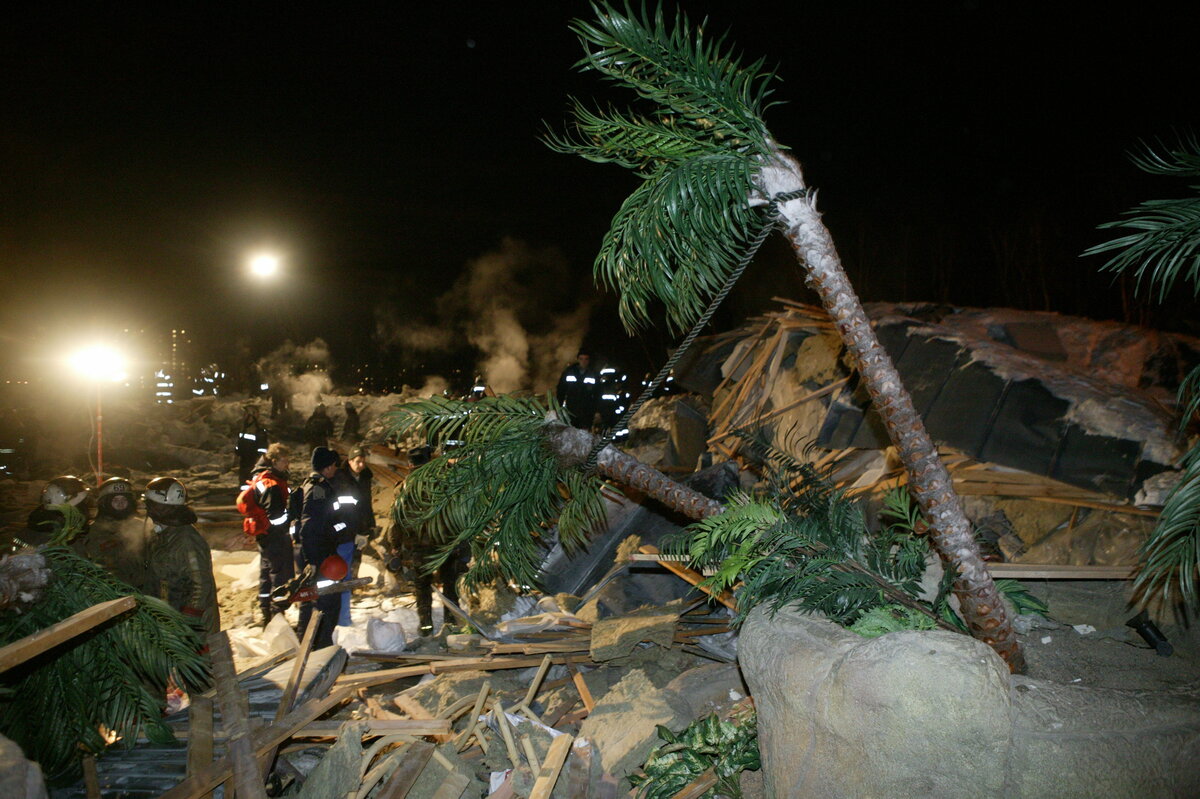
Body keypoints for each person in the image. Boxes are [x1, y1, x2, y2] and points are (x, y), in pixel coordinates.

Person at [390, 446, 461, 636]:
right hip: (444, 543)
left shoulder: (403, 487)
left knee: (422, 588)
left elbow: (397, 520)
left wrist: (395, 545)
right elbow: (454, 510)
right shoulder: (442, 481)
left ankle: (426, 626)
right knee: (450, 584)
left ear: (410, 464)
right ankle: (451, 622)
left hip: (418, 546)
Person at [142, 477, 219, 637]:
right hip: (172, 616)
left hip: (193, 627)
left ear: (162, 507)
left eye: (151, 504)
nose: (147, 509)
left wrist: (188, 622)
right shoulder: (164, 533)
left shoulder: (186, 539)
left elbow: (201, 584)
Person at [295, 446, 342, 648]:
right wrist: (312, 561)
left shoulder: (308, 485)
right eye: (333, 466)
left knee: (311, 599)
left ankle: (307, 645)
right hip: (320, 555)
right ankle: (320, 648)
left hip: (317, 553)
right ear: (328, 467)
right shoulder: (319, 489)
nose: (335, 470)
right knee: (327, 602)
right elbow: (310, 526)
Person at [246, 443, 295, 626]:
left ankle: (266, 610)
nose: (287, 464)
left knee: (266, 574)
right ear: (273, 461)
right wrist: (292, 515)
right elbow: (276, 517)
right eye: (284, 461)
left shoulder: (262, 478)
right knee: (278, 575)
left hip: (265, 535)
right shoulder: (271, 484)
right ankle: (277, 616)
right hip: (275, 536)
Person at [330, 445, 375, 627]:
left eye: (363, 461)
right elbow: (345, 509)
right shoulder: (341, 479)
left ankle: (350, 595)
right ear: (349, 461)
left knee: (355, 562)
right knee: (343, 571)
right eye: (357, 461)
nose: (361, 464)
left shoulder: (365, 477)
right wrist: (349, 530)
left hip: (359, 528)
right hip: (347, 531)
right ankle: (342, 614)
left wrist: (368, 527)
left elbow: (366, 503)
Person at [83, 476, 147, 589]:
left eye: (124, 500)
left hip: (141, 590)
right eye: (115, 500)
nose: (120, 504)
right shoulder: (91, 531)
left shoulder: (143, 527)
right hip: (107, 591)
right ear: (104, 503)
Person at [556, 350, 601, 430]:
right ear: (577, 359)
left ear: (589, 360)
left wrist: (597, 410)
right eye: (581, 359)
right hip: (571, 408)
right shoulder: (569, 372)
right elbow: (561, 390)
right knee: (571, 431)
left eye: (586, 359)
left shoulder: (594, 374)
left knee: (584, 433)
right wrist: (559, 406)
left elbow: (598, 393)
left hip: (587, 410)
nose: (583, 361)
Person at [235, 405, 269, 489]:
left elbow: (262, 447)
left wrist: (259, 460)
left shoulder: (258, 430)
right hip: (244, 460)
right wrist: (236, 455)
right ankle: (244, 497)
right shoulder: (244, 429)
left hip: (252, 460)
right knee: (244, 482)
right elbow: (240, 444)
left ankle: (252, 497)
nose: (244, 416)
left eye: (246, 414)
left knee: (252, 481)